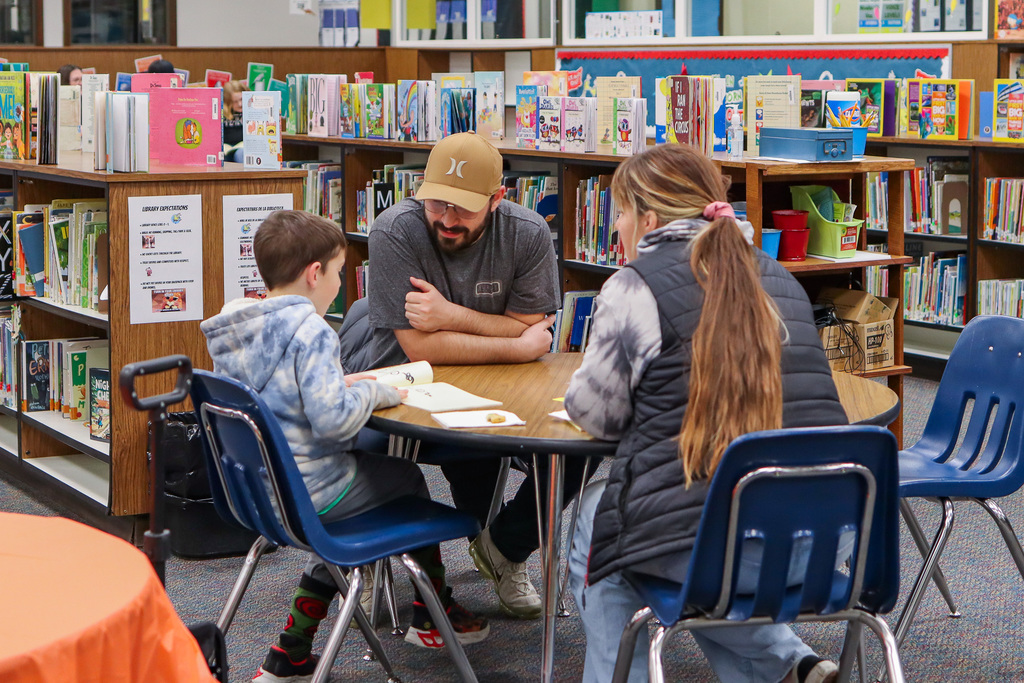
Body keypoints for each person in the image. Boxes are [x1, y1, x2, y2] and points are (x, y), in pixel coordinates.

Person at [564, 144, 850, 683]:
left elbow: (596, 416)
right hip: (820, 541)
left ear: (649, 218)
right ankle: (790, 665)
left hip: (722, 552)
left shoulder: (634, 285)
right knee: (667, 532)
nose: (617, 227)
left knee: (601, 526)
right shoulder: (779, 275)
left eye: (620, 213)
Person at [201, 210, 489, 683]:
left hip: (257, 496)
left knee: (353, 507)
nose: (339, 284)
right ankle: (431, 615)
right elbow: (334, 424)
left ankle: (291, 650)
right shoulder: (310, 331)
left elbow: (281, 397)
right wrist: (374, 392)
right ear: (315, 273)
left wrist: (339, 383)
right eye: (338, 272)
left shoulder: (236, 329)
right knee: (407, 479)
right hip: (312, 494)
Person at [358, 132, 593, 620]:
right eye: (437, 203)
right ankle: (372, 560)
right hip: (408, 388)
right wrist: (516, 344)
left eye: (463, 208)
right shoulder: (394, 230)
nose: (447, 219)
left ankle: (506, 548)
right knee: (459, 460)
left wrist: (449, 315)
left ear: (497, 198)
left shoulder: (527, 232)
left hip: (502, 385)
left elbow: (532, 326)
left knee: (581, 441)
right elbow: (421, 348)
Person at [222, 79, 248, 159]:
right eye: (235, 102)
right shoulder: (221, 113)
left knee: (240, 154)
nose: (240, 104)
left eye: (241, 99)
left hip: (244, 147)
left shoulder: (252, 111)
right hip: (226, 148)